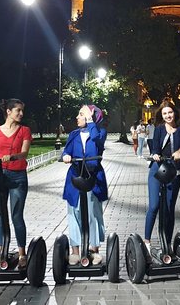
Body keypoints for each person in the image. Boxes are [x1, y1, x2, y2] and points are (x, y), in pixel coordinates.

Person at [0, 98, 32, 269]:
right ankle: (2, 252)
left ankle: (22, 253)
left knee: (16, 214)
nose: (21, 114)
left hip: (17, 176)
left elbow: (24, 153)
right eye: (18, 110)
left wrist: (13, 156)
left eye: (22, 110)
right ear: (9, 112)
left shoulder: (24, 130)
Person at [61, 105, 108, 265]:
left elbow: (98, 142)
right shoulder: (74, 134)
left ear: (91, 117)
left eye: (81, 114)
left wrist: (90, 121)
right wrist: (66, 156)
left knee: (93, 213)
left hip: (92, 178)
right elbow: (66, 151)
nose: (77, 117)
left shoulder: (99, 132)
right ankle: (75, 250)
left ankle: (94, 250)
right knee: (74, 212)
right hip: (75, 177)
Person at [144, 99, 180, 253]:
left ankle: (166, 244)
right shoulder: (159, 129)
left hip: (173, 171)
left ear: (175, 113)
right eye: (165, 113)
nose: (168, 115)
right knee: (154, 205)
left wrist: (179, 152)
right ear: (161, 116)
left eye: (170, 112)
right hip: (157, 169)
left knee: (169, 208)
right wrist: (155, 154)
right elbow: (155, 147)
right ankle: (147, 242)